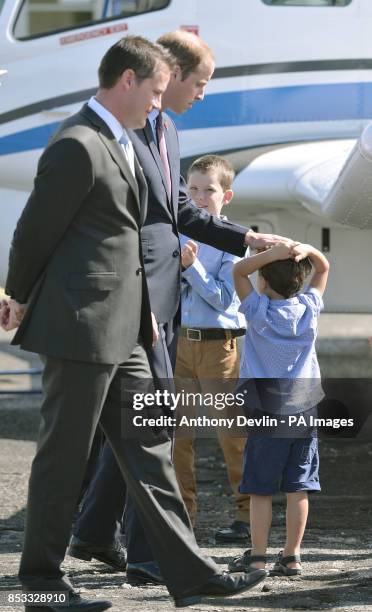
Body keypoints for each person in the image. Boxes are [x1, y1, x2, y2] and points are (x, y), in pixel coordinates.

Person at [2, 36, 267, 611]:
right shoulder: (78, 143)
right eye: (152, 90)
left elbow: (146, 232)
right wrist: (16, 296)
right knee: (64, 457)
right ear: (127, 80)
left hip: (127, 332)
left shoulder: (123, 139)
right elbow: (33, 232)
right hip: (81, 327)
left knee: (150, 447)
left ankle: (191, 576)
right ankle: (42, 584)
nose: (158, 102)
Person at [68, 29, 285, 584]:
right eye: (203, 82)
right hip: (138, 304)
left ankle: (97, 532)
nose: (205, 94)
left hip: (160, 306)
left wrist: (246, 239)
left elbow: (181, 212)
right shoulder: (128, 132)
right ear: (175, 75)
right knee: (152, 427)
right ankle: (138, 554)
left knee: (141, 425)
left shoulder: (166, 131)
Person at [228, 240, 329, 576]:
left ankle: (257, 557)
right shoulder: (310, 309)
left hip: (264, 411)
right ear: (299, 280)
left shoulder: (257, 311)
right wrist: (305, 250)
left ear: (263, 281)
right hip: (303, 409)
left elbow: (237, 270)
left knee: (259, 489)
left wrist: (268, 254)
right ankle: (292, 556)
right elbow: (323, 267)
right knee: (298, 486)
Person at [172, 154, 250, 541]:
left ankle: (247, 515)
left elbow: (224, 298)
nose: (199, 197)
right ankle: (183, 516)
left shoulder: (235, 241)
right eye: (193, 189)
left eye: (210, 190)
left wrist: (191, 268)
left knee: (231, 435)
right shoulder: (174, 233)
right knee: (177, 436)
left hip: (219, 348)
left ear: (227, 195)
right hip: (179, 344)